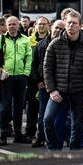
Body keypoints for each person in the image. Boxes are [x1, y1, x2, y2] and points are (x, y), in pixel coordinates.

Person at [43, 11, 83, 151]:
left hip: (78, 92)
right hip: (58, 91)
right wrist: (52, 90)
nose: (71, 25)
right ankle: (53, 150)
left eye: (74, 23)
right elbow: (47, 68)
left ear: (80, 26)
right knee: (48, 120)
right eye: (68, 23)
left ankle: (74, 154)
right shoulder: (55, 44)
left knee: (77, 125)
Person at [0, 16, 32, 144]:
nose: (12, 27)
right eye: (9, 24)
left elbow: (28, 57)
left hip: (21, 77)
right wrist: (0, 71)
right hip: (6, 77)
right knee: (5, 107)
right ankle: (3, 133)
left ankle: (18, 133)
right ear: (6, 25)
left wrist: (26, 73)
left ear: (18, 25)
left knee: (19, 106)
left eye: (14, 24)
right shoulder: (1, 39)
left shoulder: (25, 39)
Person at [30, 19, 63, 148]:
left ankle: (59, 138)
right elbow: (34, 64)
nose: (58, 31)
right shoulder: (41, 44)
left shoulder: (65, 44)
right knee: (43, 114)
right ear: (51, 27)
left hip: (60, 85)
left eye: (61, 28)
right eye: (57, 28)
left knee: (61, 116)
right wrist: (38, 81)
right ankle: (40, 137)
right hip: (44, 85)